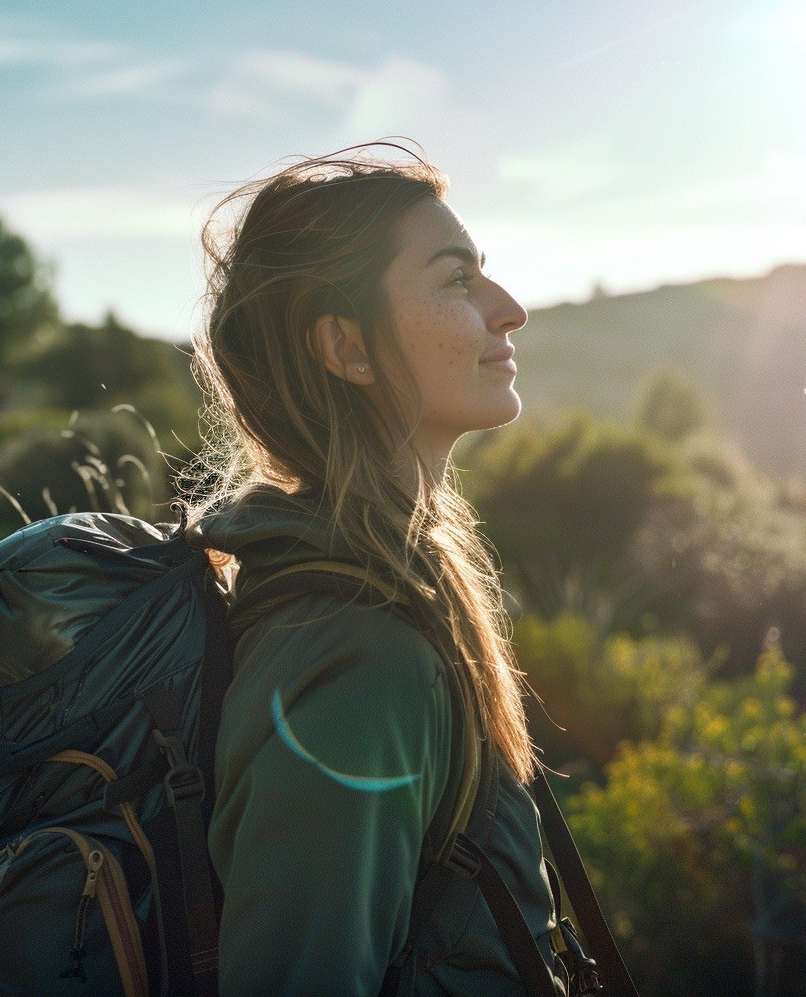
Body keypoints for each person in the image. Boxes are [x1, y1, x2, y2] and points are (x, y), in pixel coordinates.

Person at [185, 142, 564, 996]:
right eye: (456, 280)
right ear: (346, 348)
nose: (510, 311)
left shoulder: (383, 596)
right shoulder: (360, 657)